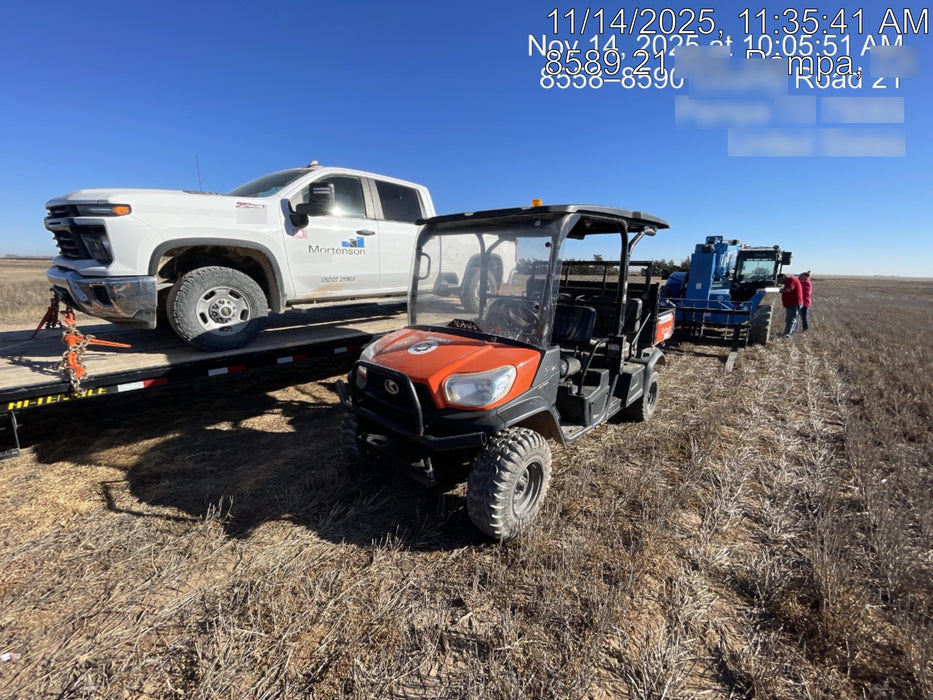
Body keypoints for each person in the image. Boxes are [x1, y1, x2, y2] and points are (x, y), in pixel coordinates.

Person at [777, 273, 803, 337]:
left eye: (779, 280)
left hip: (793, 303)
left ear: (783, 277)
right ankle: (792, 332)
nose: (779, 282)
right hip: (794, 303)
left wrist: (777, 290)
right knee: (794, 318)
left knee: (790, 319)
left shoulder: (790, 280)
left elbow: (787, 290)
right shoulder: (790, 280)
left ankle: (787, 334)